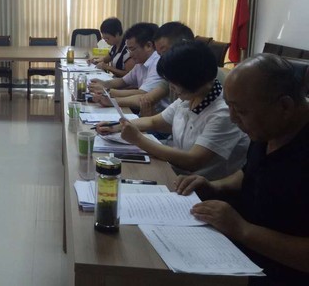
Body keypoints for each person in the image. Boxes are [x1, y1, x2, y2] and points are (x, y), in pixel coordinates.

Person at [175, 54, 309, 284]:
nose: (233, 118)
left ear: (285, 106)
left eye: (241, 111)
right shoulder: (269, 128)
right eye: (229, 107)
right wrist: (215, 186)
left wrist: (242, 229)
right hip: (239, 255)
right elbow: (250, 172)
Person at [98, 41, 249, 180]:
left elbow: (192, 161)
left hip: (203, 188)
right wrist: (116, 126)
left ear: (193, 78)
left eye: (174, 82)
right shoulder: (189, 98)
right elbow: (154, 121)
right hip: (176, 174)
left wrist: (138, 139)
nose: (171, 88)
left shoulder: (223, 113)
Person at [90, 22, 170, 112]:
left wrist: (108, 92)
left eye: (132, 49)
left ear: (148, 46)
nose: (130, 54)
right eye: (128, 50)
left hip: (156, 114)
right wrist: (103, 83)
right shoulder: (140, 62)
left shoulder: (157, 63)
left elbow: (143, 94)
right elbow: (123, 81)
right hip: (144, 111)